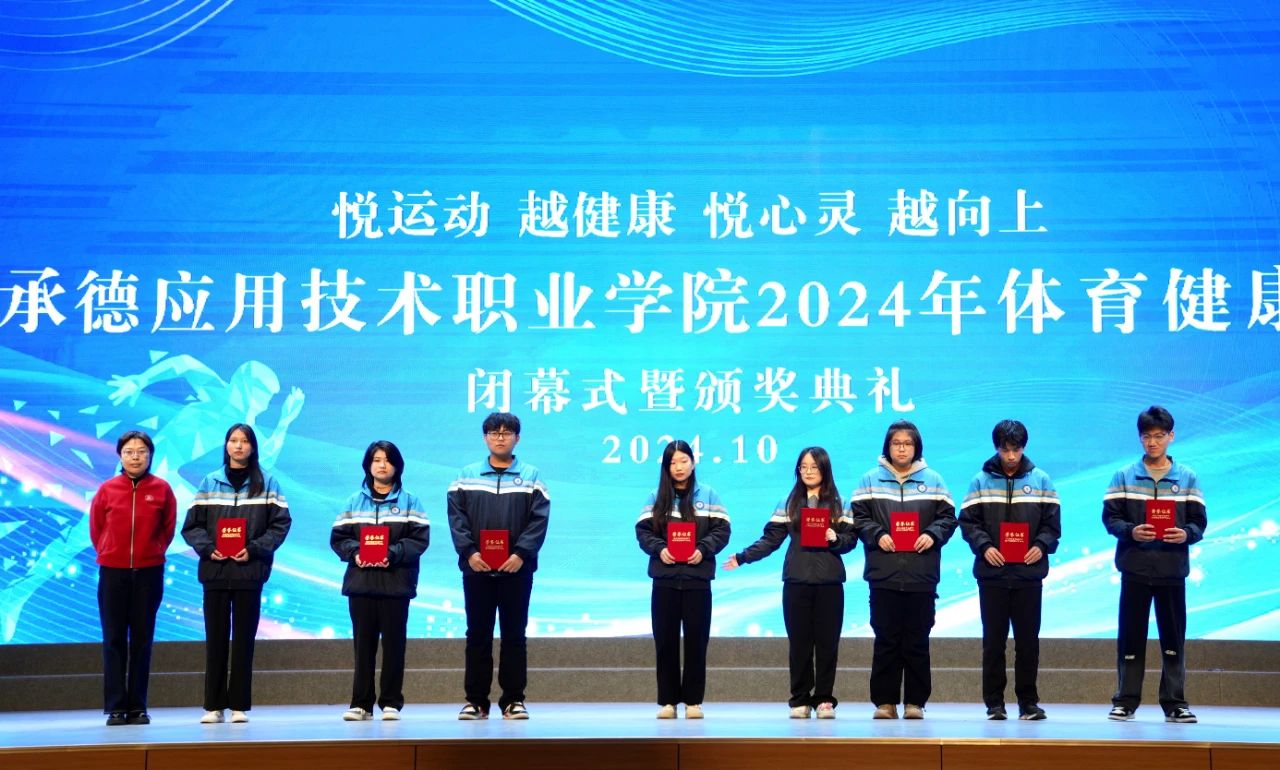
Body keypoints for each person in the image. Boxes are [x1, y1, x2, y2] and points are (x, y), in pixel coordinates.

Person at [724, 446, 855, 719]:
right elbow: (770, 540)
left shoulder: (840, 503)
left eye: (814, 467)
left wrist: (836, 538)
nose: (808, 472)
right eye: (803, 467)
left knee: (828, 644)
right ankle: (800, 699)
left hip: (830, 583)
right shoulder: (788, 502)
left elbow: (850, 541)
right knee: (799, 644)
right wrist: (743, 557)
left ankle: (824, 700)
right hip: (796, 581)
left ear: (825, 469)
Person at [181, 423, 291, 724]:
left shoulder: (268, 483)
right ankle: (213, 706)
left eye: (244, 441)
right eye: (233, 440)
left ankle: (239, 705)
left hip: (249, 572)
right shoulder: (210, 482)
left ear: (253, 447)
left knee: (244, 641)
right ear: (226, 445)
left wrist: (254, 549)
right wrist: (208, 548)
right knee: (215, 640)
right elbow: (191, 526)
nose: (238, 446)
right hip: (215, 572)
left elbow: (280, 524)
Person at [1103, 406, 1205, 724]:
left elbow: (1199, 523)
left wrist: (1185, 534)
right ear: (1140, 438)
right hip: (1135, 568)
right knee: (1130, 638)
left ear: (1171, 436)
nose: (1152, 442)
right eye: (1147, 436)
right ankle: (1125, 701)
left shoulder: (1187, 477)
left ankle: (1175, 703)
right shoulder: (1124, 475)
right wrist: (1131, 531)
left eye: (1159, 436)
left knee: (1173, 640)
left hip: (1172, 570)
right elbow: (1110, 518)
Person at [851, 420, 956, 720]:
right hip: (883, 574)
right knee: (886, 640)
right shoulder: (870, 479)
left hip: (921, 575)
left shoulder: (934, 480)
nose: (901, 448)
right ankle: (885, 702)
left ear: (916, 447)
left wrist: (932, 534)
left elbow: (949, 518)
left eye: (907, 443)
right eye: (896, 443)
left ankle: (915, 702)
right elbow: (857, 518)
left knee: (917, 641)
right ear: (887, 446)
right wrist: (877, 534)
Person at [447, 412, 549, 720]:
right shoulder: (466, 476)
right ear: (485, 438)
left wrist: (520, 554)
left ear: (518, 438)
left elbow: (538, 520)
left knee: (514, 635)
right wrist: (469, 553)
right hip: (477, 569)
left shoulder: (531, 476)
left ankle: (513, 700)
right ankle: (476, 701)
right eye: (494, 432)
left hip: (516, 570)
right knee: (477, 635)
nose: (500, 437)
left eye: (506, 433)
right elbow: (456, 519)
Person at [958, 420, 1060, 721]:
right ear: (997, 448)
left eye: (1016, 449)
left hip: (1029, 574)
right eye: (1005, 450)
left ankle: (1028, 703)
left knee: (1028, 643)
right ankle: (994, 704)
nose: (1011, 456)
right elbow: (968, 522)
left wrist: (1040, 545)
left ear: (1024, 447)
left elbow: (1052, 525)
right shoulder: (980, 481)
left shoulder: (1041, 480)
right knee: (994, 642)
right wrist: (985, 546)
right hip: (992, 575)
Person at [331, 440, 429, 721]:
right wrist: (356, 553)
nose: (382, 465)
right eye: (376, 460)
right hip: (361, 583)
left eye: (387, 460)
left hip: (396, 583)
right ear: (368, 465)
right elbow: (339, 538)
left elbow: (419, 540)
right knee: (363, 647)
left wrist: (392, 554)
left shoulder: (410, 502)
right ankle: (361, 704)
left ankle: (391, 703)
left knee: (394, 646)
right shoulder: (353, 501)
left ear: (397, 466)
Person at [636, 440, 731, 719]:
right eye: (672, 463)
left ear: (693, 462)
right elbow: (643, 532)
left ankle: (693, 702)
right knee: (665, 642)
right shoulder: (656, 497)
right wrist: (659, 549)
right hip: (664, 580)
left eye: (683, 461)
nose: (678, 467)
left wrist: (703, 550)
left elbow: (722, 530)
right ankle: (667, 702)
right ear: (666, 467)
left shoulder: (709, 495)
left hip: (697, 580)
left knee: (696, 642)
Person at [89, 430, 177, 726]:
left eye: (141, 451)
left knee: (142, 639)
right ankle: (115, 707)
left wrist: (152, 551)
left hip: (149, 573)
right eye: (129, 452)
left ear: (150, 455)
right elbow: (97, 529)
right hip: (112, 573)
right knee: (113, 639)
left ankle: (138, 706)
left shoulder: (162, 489)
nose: (135, 457)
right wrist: (110, 552)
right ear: (120, 456)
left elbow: (167, 529)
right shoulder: (107, 490)